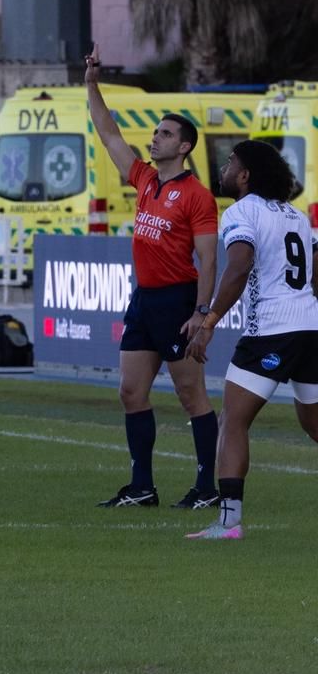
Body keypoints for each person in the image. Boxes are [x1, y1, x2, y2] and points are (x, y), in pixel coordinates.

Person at [83, 44, 220, 509]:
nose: (155, 138)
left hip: (178, 301)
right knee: (129, 391)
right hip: (144, 300)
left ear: (184, 146)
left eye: (164, 134)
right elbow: (108, 134)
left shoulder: (197, 195)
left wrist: (203, 314)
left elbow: (209, 259)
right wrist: (92, 85)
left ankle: (206, 488)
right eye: (156, 132)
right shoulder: (144, 179)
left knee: (190, 394)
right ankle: (142, 487)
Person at [184, 141, 318, 539]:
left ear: (245, 176)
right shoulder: (295, 215)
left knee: (233, 420)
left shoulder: (242, 211)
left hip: (271, 331)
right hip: (310, 327)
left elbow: (239, 267)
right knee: (314, 425)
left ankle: (228, 523)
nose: (224, 169)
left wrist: (208, 321)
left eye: (230, 163)